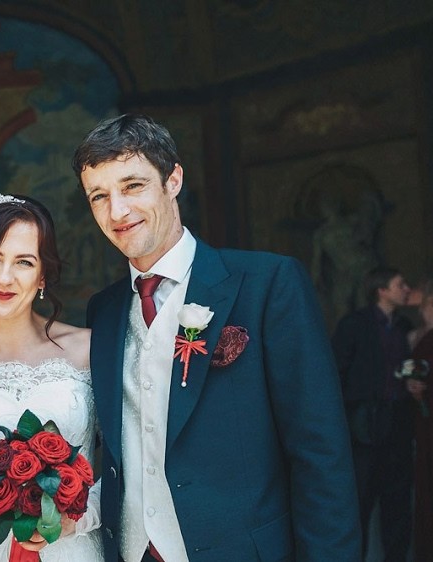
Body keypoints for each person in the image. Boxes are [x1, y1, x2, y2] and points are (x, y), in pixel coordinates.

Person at [73, 114, 361, 562]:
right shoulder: (105, 312)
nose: (117, 211)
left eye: (133, 186)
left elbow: (321, 453)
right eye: (99, 196)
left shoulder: (268, 284)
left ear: (173, 180)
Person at [0, 194, 103, 561]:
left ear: (42, 275)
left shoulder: (88, 349)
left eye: (24, 262)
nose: (5, 277)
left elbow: (132, 464)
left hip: (73, 549)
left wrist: (76, 518)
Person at [332, 266, 413, 561]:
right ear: (382, 290)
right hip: (363, 429)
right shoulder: (355, 325)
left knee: (398, 506)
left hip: (398, 426)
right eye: (400, 284)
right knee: (360, 504)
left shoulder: (404, 325)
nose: (406, 289)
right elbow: (336, 373)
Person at [406, 278, 433, 562]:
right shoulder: (413, 334)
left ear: (431, 298)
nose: (411, 290)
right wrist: (412, 386)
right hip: (425, 423)